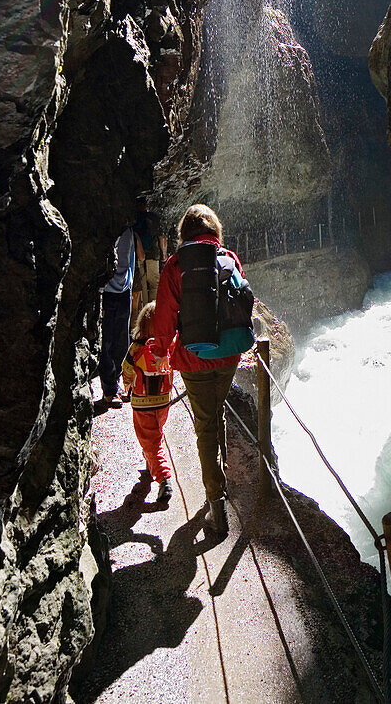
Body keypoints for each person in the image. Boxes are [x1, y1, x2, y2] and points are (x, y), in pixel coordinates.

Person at [151, 204, 254, 534]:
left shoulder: (175, 266)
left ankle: (216, 504)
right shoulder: (229, 257)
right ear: (215, 230)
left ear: (185, 233)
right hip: (228, 357)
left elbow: (165, 318)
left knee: (206, 424)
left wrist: (159, 351)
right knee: (217, 413)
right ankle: (219, 484)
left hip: (194, 358)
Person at [121, 302, 174, 505]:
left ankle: (163, 477)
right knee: (155, 435)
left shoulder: (135, 349)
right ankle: (150, 464)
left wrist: (126, 387)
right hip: (163, 402)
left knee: (150, 440)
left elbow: (127, 371)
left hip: (142, 404)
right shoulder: (167, 345)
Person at [100, 226, 136, 406]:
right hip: (106, 290)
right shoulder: (108, 227)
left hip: (124, 291)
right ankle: (109, 390)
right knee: (106, 340)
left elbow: (132, 260)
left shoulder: (129, 230)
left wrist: (130, 285)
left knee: (122, 341)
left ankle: (116, 381)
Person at [134, 196, 167, 306]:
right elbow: (162, 237)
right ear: (146, 205)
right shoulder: (154, 218)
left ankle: (143, 311)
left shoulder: (135, 218)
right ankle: (153, 310)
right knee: (154, 284)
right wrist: (164, 254)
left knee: (142, 282)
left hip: (138, 254)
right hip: (153, 254)